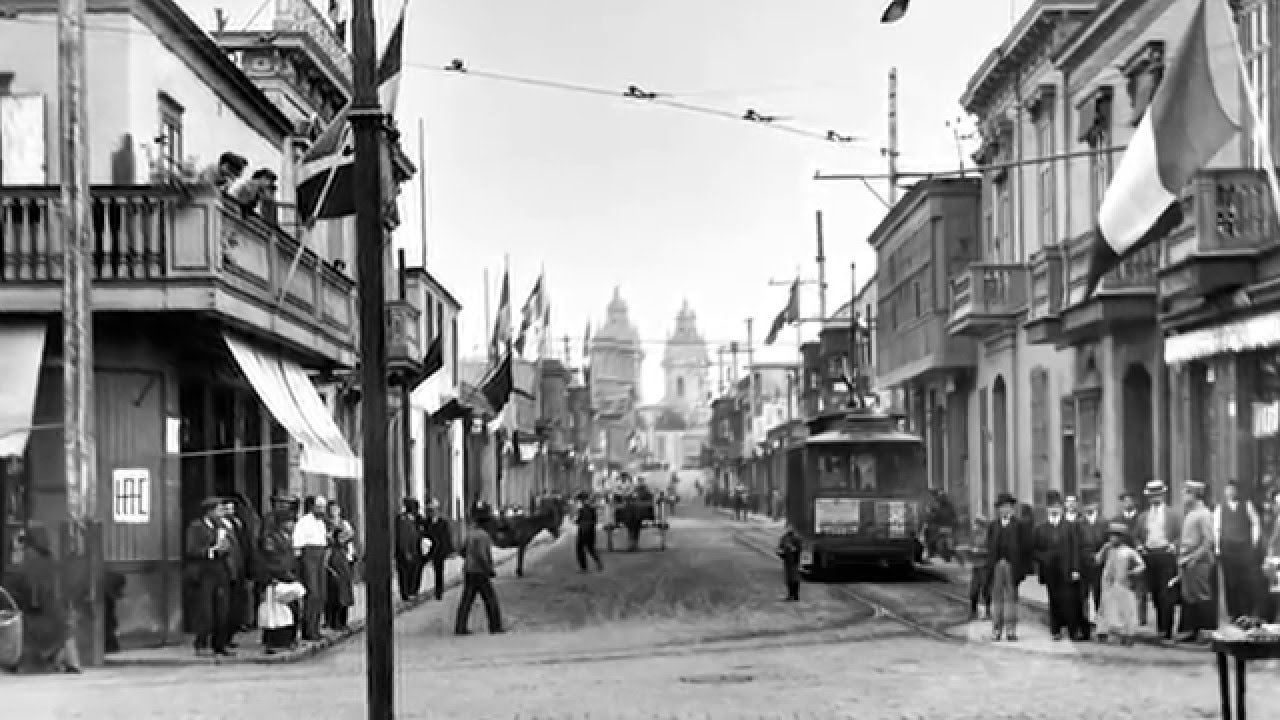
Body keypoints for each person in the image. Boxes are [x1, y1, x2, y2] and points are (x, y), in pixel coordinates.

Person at [13, 525, 80, 673]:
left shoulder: (29, 560)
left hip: (39, 618)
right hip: (55, 618)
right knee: (65, 628)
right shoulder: (52, 561)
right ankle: (70, 661)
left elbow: (32, 595)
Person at [1034, 491, 1086, 641]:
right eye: (1051, 507)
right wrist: (1044, 558)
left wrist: (1076, 569)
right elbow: (1034, 550)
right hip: (1050, 571)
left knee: (1070, 600)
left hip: (1067, 570)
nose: (1054, 509)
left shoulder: (1069, 527)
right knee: (1054, 600)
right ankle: (1055, 630)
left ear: (1062, 508)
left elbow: (1075, 549)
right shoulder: (1041, 529)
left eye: (1057, 506)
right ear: (1047, 509)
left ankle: (1073, 630)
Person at [185, 498, 234, 657]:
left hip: (220, 569)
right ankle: (201, 642)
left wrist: (225, 548)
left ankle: (219, 644)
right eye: (219, 510)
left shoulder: (221, 526)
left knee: (222, 609)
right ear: (210, 511)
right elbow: (192, 550)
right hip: (204, 571)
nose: (221, 514)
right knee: (206, 610)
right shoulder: (197, 527)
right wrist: (212, 551)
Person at [1135, 479, 1182, 644]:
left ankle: (1166, 630)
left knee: (1166, 592)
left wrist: (1173, 546)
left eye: (1158, 494)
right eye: (1152, 495)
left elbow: (1179, 535)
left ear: (1163, 495)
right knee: (1154, 592)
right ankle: (1160, 628)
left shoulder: (1172, 515)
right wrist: (1140, 546)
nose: (1155, 498)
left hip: (1166, 555)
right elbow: (1137, 536)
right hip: (1149, 555)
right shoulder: (1143, 517)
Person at [1213, 480, 1261, 621]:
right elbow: (1217, 528)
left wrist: (1253, 542)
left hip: (1244, 549)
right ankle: (1233, 613)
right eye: (1228, 489)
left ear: (1237, 491)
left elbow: (1255, 523)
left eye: (1233, 489)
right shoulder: (1220, 508)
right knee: (1230, 582)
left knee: (1245, 581)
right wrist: (1217, 547)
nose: (1230, 492)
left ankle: (1247, 611)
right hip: (1228, 549)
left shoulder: (1247, 505)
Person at [1177, 480, 1217, 644]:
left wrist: (1195, 558)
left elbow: (1208, 541)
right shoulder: (1190, 513)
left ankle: (1206, 631)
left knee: (1202, 595)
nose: (1183, 496)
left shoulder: (1204, 514)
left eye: (1186, 492)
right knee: (1189, 596)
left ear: (1194, 495)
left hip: (1199, 562)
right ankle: (1192, 630)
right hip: (1186, 560)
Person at [454, 507, 505, 635]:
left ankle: (460, 627)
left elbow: (462, 551)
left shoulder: (471, 534)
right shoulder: (484, 536)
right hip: (480, 571)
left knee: (466, 600)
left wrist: (469, 558)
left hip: (468, 570)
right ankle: (495, 626)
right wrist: (489, 569)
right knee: (490, 600)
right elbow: (482, 555)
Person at [1094, 521, 1146, 646]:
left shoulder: (1128, 551)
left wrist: (1132, 572)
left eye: (1116, 536)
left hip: (1122, 582)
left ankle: (1128, 634)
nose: (1113, 538)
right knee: (1104, 607)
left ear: (1122, 537)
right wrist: (1103, 549)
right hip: (1107, 582)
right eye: (1111, 536)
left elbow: (1142, 565)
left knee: (1126, 609)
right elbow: (1097, 560)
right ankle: (1102, 632)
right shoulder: (1107, 549)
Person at [258, 511, 299, 654]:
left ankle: (289, 639)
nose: (292, 525)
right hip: (275, 579)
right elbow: (269, 559)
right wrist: (274, 576)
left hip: (288, 578)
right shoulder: (271, 539)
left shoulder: (289, 538)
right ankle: (274, 641)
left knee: (290, 610)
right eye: (289, 522)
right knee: (274, 614)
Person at [987, 493, 1026, 642]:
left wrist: (1022, 570)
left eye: (1008, 507)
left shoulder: (1019, 525)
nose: (1005, 510)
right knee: (997, 599)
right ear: (998, 510)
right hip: (997, 565)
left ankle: (1011, 631)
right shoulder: (993, 525)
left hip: (1012, 565)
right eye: (1002, 507)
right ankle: (996, 630)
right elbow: (989, 547)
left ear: (1012, 509)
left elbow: (1024, 548)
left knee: (1011, 598)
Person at [291, 495, 330, 642]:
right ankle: (308, 629)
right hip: (309, 557)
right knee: (312, 593)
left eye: (323, 507)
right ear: (312, 507)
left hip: (320, 556)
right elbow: (297, 544)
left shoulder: (321, 523)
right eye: (319, 506)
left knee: (321, 593)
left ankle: (316, 628)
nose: (322, 510)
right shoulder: (304, 522)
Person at [218, 499, 249, 649]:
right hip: (228, 570)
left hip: (239, 568)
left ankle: (230, 636)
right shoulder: (220, 527)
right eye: (227, 509)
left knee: (236, 605)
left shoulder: (237, 524)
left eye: (233, 509)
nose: (231, 512)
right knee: (225, 607)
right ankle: (221, 639)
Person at [1077, 493, 1108, 638]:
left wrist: (1101, 557)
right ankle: (1085, 630)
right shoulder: (1078, 524)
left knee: (1100, 597)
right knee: (1082, 597)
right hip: (1083, 565)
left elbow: (1108, 544)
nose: (1089, 507)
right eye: (1086, 505)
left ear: (1097, 505)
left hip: (1100, 565)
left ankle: (1102, 629)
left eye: (1092, 504)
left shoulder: (1104, 523)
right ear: (1083, 508)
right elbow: (1076, 547)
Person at [1114, 491, 1146, 626]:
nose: (1127, 503)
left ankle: (1140, 618)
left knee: (1140, 588)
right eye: (1125, 501)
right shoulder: (1117, 520)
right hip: (1122, 558)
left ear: (1134, 502)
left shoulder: (1142, 518)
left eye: (1130, 500)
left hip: (1138, 557)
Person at [324, 503, 356, 632]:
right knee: (334, 596)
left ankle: (343, 621)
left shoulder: (345, 524)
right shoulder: (326, 526)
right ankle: (332, 621)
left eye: (336, 509)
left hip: (345, 564)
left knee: (345, 595)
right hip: (334, 568)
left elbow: (350, 536)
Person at [421, 499, 454, 600]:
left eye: (433, 510)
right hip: (428, 549)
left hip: (439, 551)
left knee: (439, 571)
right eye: (430, 510)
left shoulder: (442, 523)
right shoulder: (425, 523)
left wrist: (448, 550)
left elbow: (446, 537)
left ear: (437, 510)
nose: (431, 512)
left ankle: (438, 591)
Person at [395, 498, 425, 602]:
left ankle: (413, 591)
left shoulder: (417, 519)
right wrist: (405, 551)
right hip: (404, 550)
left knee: (415, 571)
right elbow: (401, 537)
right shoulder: (401, 519)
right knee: (404, 573)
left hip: (416, 549)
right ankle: (406, 593)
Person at [968, 515, 991, 620]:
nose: (975, 526)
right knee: (974, 590)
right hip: (976, 565)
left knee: (985, 588)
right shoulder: (974, 535)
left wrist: (980, 551)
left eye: (976, 524)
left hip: (984, 565)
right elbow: (971, 546)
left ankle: (987, 611)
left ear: (981, 525)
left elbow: (991, 550)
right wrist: (970, 550)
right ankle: (973, 612)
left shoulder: (987, 535)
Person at [574, 491, 604, 573]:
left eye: (580, 500)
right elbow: (595, 520)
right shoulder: (592, 508)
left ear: (582, 500)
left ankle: (584, 568)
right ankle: (599, 563)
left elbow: (578, 520)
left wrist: (577, 521)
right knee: (591, 548)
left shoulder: (582, 509)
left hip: (583, 531)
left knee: (579, 549)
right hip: (591, 530)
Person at [777, 526, 802, 602]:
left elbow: (799, 549)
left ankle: (795, 595)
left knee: (794, 578)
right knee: (789, 578)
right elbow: (780, 548)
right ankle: (791, 595)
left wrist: (794, 549)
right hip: (787, 560)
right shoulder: (784, 538)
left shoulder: (796, 538)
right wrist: (780, 553)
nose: (789, 529)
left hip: (794, 560)